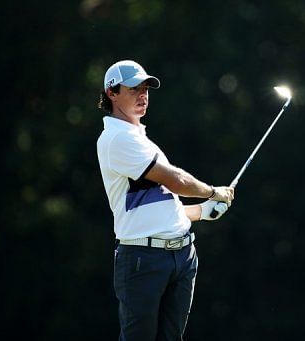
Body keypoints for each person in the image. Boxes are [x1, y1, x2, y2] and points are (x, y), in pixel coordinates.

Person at [96, 60, 234, 341]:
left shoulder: (141, 139)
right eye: (134, 89)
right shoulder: (115, 139)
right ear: (112, 92)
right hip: (142, 260)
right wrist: (212, 192)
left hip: (182, 255)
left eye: (146, 88)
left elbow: (159, 204)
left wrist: (202, 211)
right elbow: (176, 181)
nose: (142, 95)